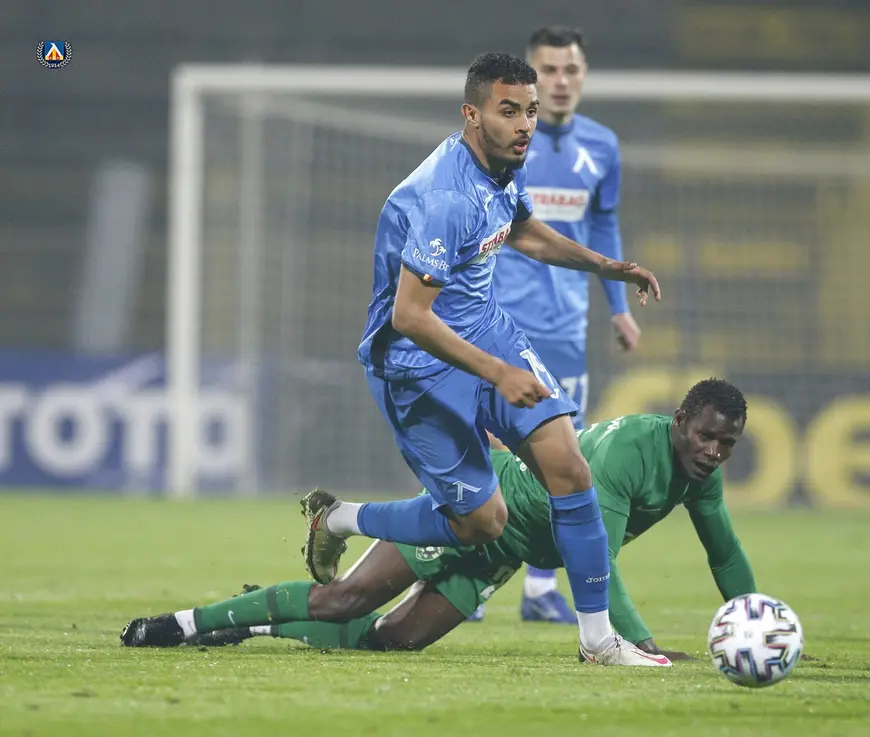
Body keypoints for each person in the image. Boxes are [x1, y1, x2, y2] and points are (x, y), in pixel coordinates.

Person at [305, 52, 662, 666]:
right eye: (509, 111)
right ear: (471, 115)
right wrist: (498, 373)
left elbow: (523, 231)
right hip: (417, 363)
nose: (525, 126)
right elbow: (409, 316)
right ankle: (340, 519)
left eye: (530, 111)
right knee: (482, 524)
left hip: (488, 332)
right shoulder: (447, 197)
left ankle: (598, 641)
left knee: (570, 470)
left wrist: (605, 266)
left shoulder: (502, 166)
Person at [121, 378, 756, 668]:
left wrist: (753, 619)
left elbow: (724, 553)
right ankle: (185, 624)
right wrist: (641, 643)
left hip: (505, 552)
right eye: (706, 437)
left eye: (726, 444)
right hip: (482, 508)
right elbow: (596, 561)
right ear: (680, 421)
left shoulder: (701, 475)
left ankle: (257, 621)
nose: (713, 452)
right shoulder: (628, 456)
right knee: (345, 600)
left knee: (395, 642)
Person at [474, 26, 641, 624]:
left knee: (564, 456)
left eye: (571, 70)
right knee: (492, 453)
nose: (561, 81)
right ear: (530, 77)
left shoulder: (602, 146)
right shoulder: (502, 142)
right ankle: (473, 578)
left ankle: (540, 587)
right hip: (499, 322)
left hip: (568, 326)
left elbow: (604, 226)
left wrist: (618, 305)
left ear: (584, 75)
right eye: (549, 70)